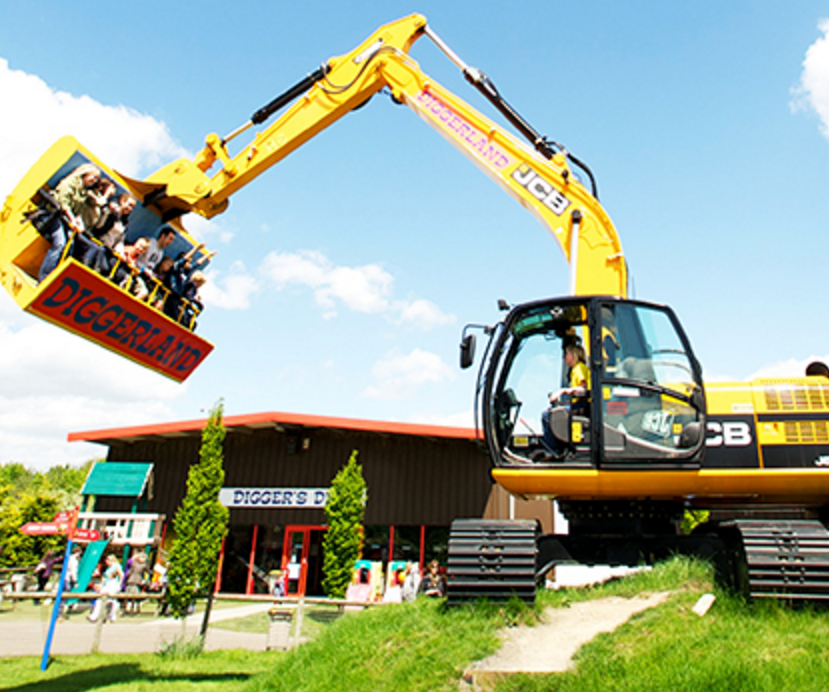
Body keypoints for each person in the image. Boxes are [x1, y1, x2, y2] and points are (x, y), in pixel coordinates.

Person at [36, 164, 101, 280]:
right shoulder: (69, 182)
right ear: (85, 174)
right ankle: (44, 277)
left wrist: (78, 221)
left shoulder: (83, 192)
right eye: (93, 177)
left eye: (96, 179)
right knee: (60, 243)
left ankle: (56, 276)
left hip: (65, 220)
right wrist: (72, 220)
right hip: (52, 215)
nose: (94, 181)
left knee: (70, 246)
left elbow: (78, 211)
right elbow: (63, 204)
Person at [541, 343, 590, 459]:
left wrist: (563, 391)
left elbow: (584, 388)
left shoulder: (580, 368)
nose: (564, 357)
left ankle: (553, 451)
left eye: (567, 354)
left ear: (574, 355)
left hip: (582, 406)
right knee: (555, 412)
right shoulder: (575, 370)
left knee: (547, 416)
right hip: (578, 404)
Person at [88, 554, 123, 623]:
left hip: (113, 584)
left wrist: (119, 584)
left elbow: (121, 574)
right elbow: (104, 578)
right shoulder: (108, 568)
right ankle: (94, 616)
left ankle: (112, 616)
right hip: (106, 585)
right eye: (106, 560)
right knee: (100, 600)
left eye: (109, 560)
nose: (107, 561)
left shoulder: (116, 566)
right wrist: (100, 585)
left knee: (112, 601)